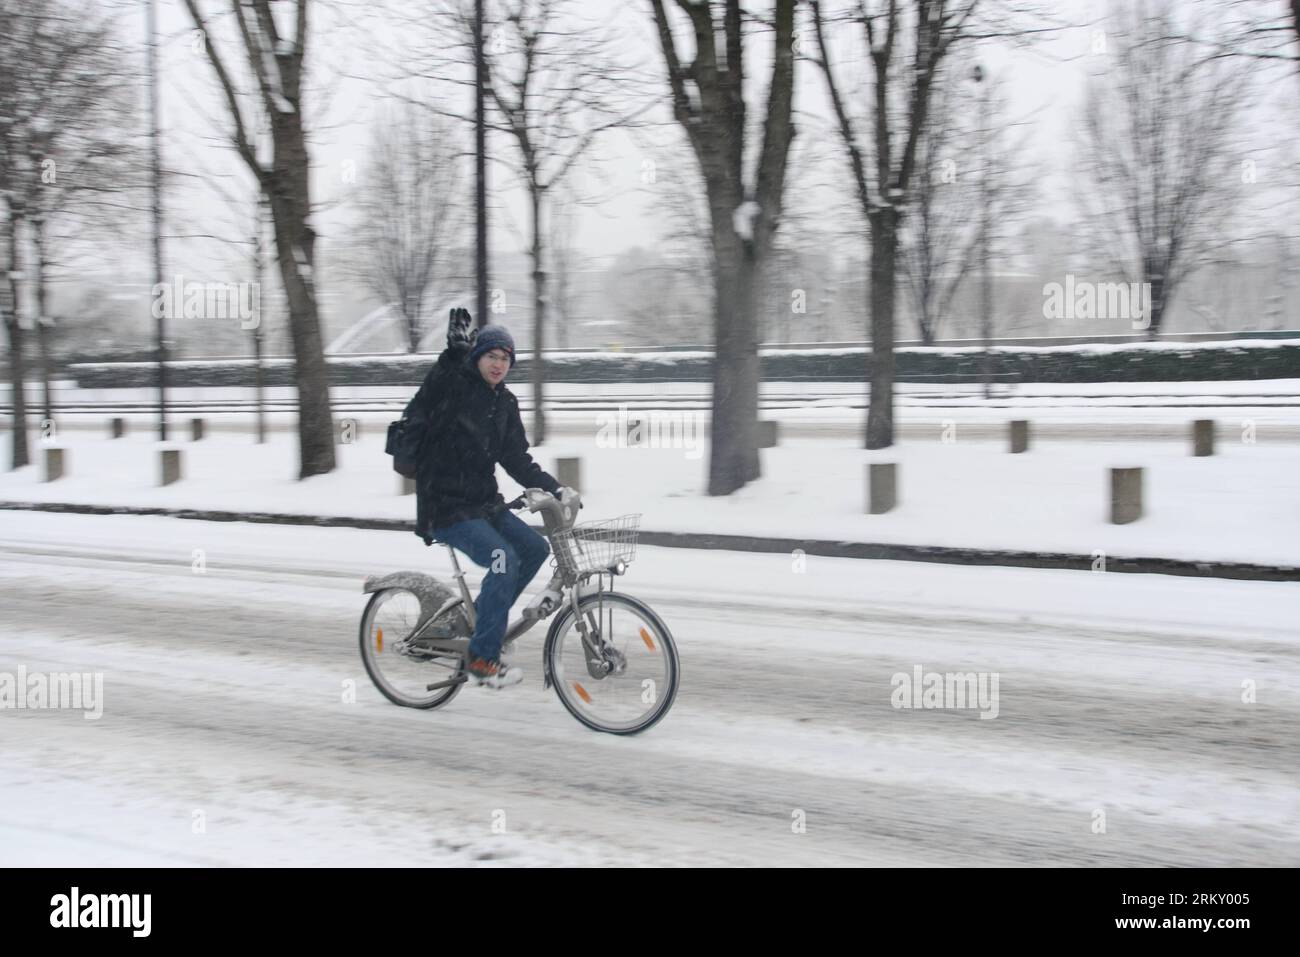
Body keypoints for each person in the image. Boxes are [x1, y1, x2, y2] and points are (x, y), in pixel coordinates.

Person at [406, 307, 576, 689]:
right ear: (476, 357)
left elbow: (517, 459)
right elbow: (435, 387)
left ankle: (485, 626)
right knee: (503, 561)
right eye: (491, 355)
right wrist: (452, 354)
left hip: (484, 504)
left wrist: (556, 488)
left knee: (533, 548)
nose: (499, 364)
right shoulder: (456, 387)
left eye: (505, 358)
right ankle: (482, 661)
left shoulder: (505, 403)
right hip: (446, 507)